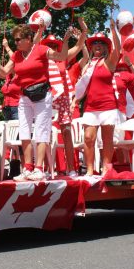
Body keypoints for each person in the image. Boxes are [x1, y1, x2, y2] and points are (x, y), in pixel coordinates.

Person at [0, 24, 72, 181]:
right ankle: (27, 168)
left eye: (18, 39)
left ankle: (39, 169)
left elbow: (61, 57)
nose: (16, 43)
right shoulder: (16, 55)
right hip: (24, 97)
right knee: (25, 132)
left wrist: (66, 39)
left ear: (28, 39)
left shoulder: (41, 50)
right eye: (15, 40)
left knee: (41, 131)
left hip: (42, 95)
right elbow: (4, 73)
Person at [41, 17, 88, 177]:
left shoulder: (63, 57)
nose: (52, 47)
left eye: (55, 45)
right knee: (45, 134)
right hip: (46, 99)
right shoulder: (40, 60)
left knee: (66, 133)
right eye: (49, 45)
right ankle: (47, 169)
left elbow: (79, 45)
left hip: (63, 100)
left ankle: (71, 168)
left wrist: (83, 31)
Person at [75, 18, 121, 176]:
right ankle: (89, 169)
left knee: (107, 140)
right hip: (91, 107)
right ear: (91, 47)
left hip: (108, 106)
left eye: (101, 43)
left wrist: (114, 31)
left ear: (106, 47)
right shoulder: (87, 65)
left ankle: (106, 168)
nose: (98, 46)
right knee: (88, 138)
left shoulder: (109, 62)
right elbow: (82, 89)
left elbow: (118, 51)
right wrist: (74, 101)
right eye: (95, 43)